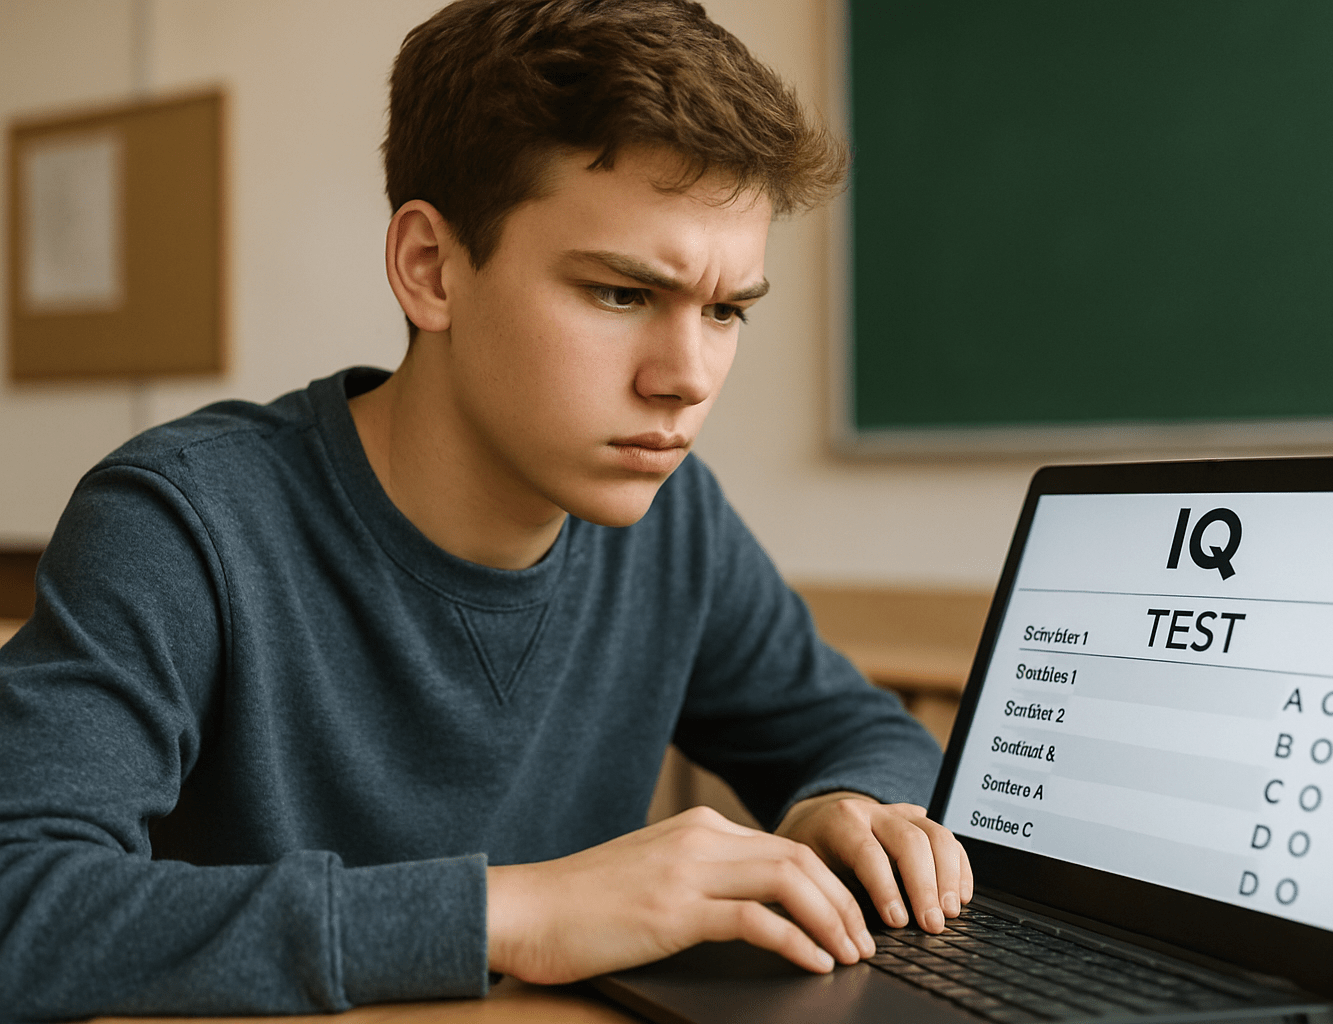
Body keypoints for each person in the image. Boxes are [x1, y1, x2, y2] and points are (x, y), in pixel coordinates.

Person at [0, 0, 971, 1017]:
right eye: (621, 294)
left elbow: (856, 728)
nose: (687, 379)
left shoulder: (675, 525)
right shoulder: (183, 521)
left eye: (727, 309)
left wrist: (847, 807)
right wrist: (514, 913)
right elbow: (20, 897)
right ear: (431, 269)